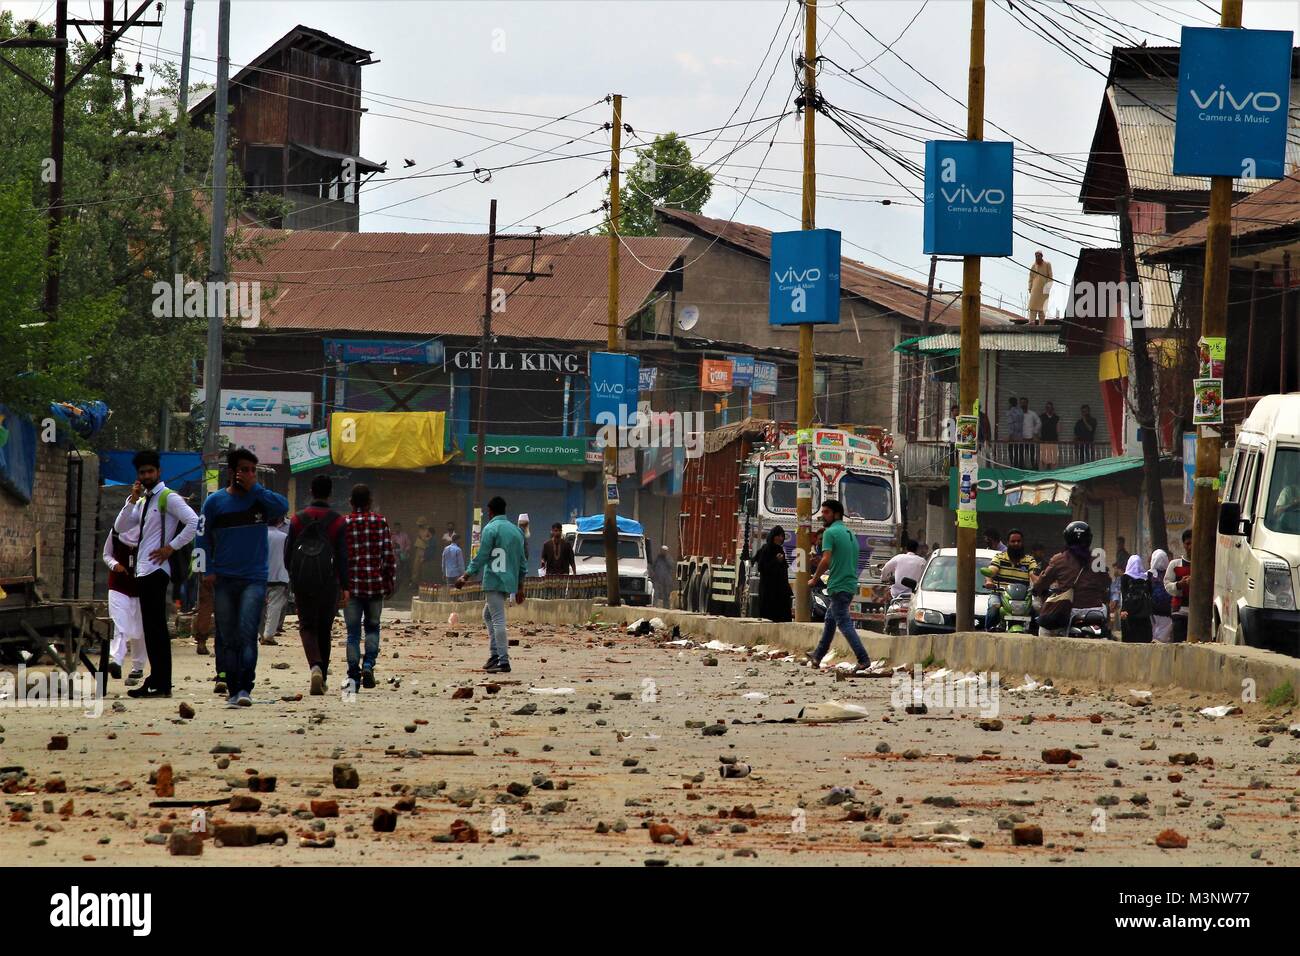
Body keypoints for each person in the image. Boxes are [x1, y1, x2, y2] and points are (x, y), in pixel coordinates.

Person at [198, 448, 289, 708]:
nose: (249, 474)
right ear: (232, 472)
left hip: (254, 579)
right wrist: (207, 570)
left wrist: (256, 488)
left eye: (252, 470)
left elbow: (283, 506)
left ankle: (245, 687)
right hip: (224, 578)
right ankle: (232, 685)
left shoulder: (260, 500)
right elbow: (201, 537)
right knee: (227, 636)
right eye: (244, 469)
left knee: (248, 633)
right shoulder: (214, 502)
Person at [119, 450, 199, 699]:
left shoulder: (168, 497)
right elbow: (121, 527)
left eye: (150, 471)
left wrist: (170, 547)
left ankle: (160, 683)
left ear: (159, 472)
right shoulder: (144, 501)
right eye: (142, 473)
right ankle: (157, 682)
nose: (146, 476)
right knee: (151, 629)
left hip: (156, 570)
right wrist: (131, 499)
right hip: (143, 570)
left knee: (156, 630)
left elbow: (194, 522)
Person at [287, 475, 349, 696]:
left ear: (311, 491)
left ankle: (314, 666)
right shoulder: (338, 521)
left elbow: (289, 555)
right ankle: (322, 674)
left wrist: (294, 579)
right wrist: (345, 586)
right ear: (330, 493)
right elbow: (343, 556)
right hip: (329, 582)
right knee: (324, 628)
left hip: (303, 582)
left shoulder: (297, 519)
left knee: (307, 626)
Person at [455, 496, 527, 674]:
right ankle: (495, 654)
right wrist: (520, 587)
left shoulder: (490, 528)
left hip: (494, 579)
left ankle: (503, 661)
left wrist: (465, 576)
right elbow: (522, 562)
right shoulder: (517, 531)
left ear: (490, 511)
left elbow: (482, 556)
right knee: (488, 615)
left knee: (498, 619)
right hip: (509, 580)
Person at [806, 500, 872, 672]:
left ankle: (863, 658)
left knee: (843, 622)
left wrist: (814, 579)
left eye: (826, 512)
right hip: (849, 583)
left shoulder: (830, 533)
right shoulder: (850, 533)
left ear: (836, 514)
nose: (823, 516)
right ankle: (818, 655)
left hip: (838, 584)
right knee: (830, 620)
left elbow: (826, 560)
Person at [343, 484, 397, 691]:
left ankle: (353, 675)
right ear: (370, 502)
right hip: (375, 587)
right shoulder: (380, 521)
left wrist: (340, 584)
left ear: (351, 502)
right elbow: (388, 555)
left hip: (352, 588)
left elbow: (339, 557)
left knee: (352, 633)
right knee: (373, 627)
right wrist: (389, 581)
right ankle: (368, 665)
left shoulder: (344, 523)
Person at [1031, 521, 1109, 637]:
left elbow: (1042, 582)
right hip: (1097, 611)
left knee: (1045, 629)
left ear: (1067, 538)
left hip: (1070, 611)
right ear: (1089, 538)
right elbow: (1105, 584)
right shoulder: (1098, 560)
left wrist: (1037, 589)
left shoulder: (1059, 559)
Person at [102, 508, 146, 685]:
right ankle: (117, 661)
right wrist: (115, 565)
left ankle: (138, 666)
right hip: (118, 586)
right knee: (120, 624)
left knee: (140, 628)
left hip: (140, 587)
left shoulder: (147, 535)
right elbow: (106, 554)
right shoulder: (116, 532)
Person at [980, 529, 1040, 628]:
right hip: (1000, 593)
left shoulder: (1029, 560)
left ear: (1022, 543)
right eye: (1013, 541)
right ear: (1008, 543)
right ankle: (989, 632)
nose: (1016, 543)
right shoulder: (999, 557)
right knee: (994, 607)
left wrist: (1039, 585)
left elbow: (1034, 575)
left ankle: (1034, 635)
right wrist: (989, 581)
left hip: (1023, 598)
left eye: (1018, 541)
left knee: (1037, 609)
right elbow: (992, 570)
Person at [261, 517, 290, 646]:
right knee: (275, 607)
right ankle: (268, 635)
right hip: (279, 575)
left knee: (259, 607)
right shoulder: (284, 537)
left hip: (260, 575)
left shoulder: (259, 536)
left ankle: (259, 633)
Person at [755, 526, 793, 622]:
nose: (781, 538)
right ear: (773, 536)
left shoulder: (780, 550)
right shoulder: (766, 550)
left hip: (781, 591)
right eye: (778, 536)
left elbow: (783, 570)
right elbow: (762, 567)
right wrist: (776, 561)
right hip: (769, 591)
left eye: (782, 536)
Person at [1164, 528, 1193, 642]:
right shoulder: (1175, 564)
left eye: (1193, 543)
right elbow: (1167, 585)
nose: (1190, 547)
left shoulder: (1205, 565)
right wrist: (1179, 585)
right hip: (1179, 612)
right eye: (1188, 543)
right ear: (1184, 545)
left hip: (1199, 616)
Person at [1118, 554, 1153, 643]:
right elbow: (1150, 593)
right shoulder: (1146, 577)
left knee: (1130, 639)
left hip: (1130, 611)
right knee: (1144, 639)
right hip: (1144, 611)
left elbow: (1124, 594)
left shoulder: (1125, 577)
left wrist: (1123, 609)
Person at [1149, 549, 1174, 644]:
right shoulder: (1170, 575)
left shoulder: (1148, 575)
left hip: (1153, 612)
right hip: (1167, 612)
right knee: (1164, 640)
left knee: (1152, 638)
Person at [1027, 250, 1053, 324]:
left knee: (1042, 309)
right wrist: (1030, 287)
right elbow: (1030, 278)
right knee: (1032, 307)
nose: (1037, 257)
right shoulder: (1033, 266)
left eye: (1039, 256)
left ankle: (1041, 324)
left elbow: (1050, 276)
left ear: (1042, 256)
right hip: (1035, 290)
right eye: (1036, 256)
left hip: (1044, 290)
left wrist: (1048, 287)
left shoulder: (1047, 264)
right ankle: (1031, 322)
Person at [409, 519, 433, 591]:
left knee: (421, 567)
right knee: (415, 567)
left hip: (423, 549)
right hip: (418, 549)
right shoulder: (419, 530)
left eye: (420, 524)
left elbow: (429, 537)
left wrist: (424, 539)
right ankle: (414, 583)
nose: (419, 525)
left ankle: (420, 584)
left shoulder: (427, 530)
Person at [1020, 397, 1041, 470]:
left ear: (1027, 403)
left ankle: (1035, 472)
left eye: (1024, 402)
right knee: (1020, 457)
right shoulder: (1017, 414)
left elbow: (1039, 422)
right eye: (1021, 402)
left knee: (1032, 456)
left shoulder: (1032, 414)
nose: (1023, 404)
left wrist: (1035, 432)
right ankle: (1020, 472)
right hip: (1020, 439)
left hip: (1030, 439)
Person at [1040, 401, 1060, 469]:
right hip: (1044, 441)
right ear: (1046, 408)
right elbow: (1038, 428)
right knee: (1044, 460)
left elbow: (1058, 430)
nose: (1049, 409)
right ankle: (1044, 477)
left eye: (1050, 408)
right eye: (1048, 408)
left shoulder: (1056, 418)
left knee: (1053, 460)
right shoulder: (1042, 417)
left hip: (1053, 441)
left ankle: (1052, 476)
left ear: (1053, 408)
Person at [391, 522, 411, 593]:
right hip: (394, 557)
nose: (397, 529)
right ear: (394, 528)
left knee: (402, 572)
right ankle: (394, 586)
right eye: (396, 527)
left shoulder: (404, 535)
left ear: (400, 528)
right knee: (395, 572)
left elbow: (408, 544)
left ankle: (401, 587)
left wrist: (405, 550)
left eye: (398, 527)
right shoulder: (392, 535)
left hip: (402, 556)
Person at [1107, 561, 1125, 634]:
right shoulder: (1117, 579)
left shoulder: (1122, 579)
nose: (1114, 571)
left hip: (1119, 603)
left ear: (1120, 569)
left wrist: (1114, 601)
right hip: (1116, 603)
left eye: (1116, 569)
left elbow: (1117, 592)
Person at [1005, 397, 1024, 466]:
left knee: (1012, 452)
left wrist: (1010, 436)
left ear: (1010, 403)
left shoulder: (1010, 412)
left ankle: (1013, 466)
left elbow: (1011, 424)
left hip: (1013, 436)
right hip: (1021, 436)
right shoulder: (1021, 411)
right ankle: (1020, 467)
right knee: (1020, 452)